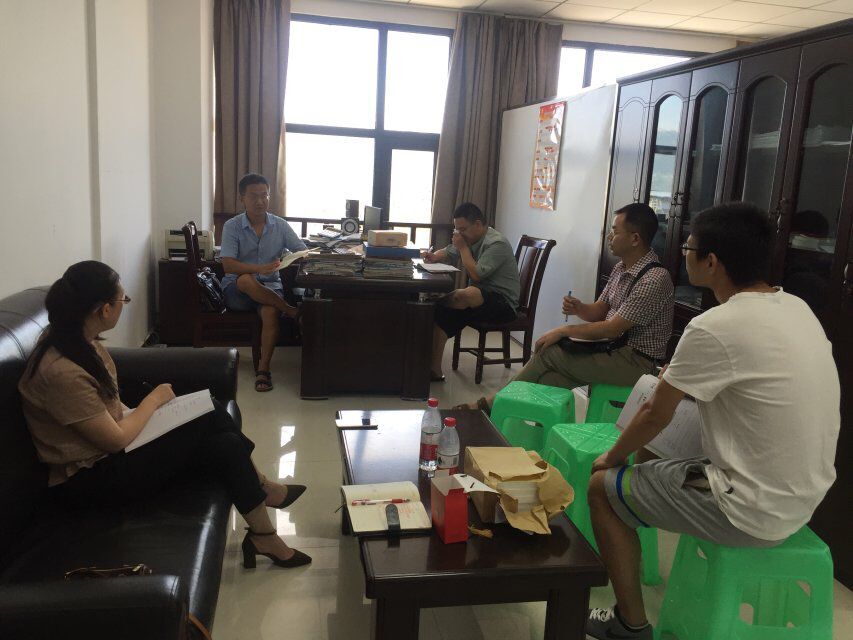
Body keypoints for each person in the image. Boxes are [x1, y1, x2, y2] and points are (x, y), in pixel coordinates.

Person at [584, 202, 840, 640]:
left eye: (688, 248)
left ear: (711, 262)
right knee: (667, 438)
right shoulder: (797, 307)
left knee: (601, 489)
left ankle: (629, 624)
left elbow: (654, 412)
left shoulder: (714, 325)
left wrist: (609, 458)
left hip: (751, 510)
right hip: (804, 498)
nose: (683, 254)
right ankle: (639, 505)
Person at [18, 261, 311, 570]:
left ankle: (264, 533)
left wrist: (149, 412)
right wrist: (154, 400)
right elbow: (114, 440)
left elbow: (110, 411)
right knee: (210, 413)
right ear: (104, 310)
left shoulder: (77, 340)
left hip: (108, 457)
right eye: (122, 299)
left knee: (223, 442)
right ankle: (262, 490)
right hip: (90, 479)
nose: (124, 304)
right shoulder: (62, 371)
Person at [456, 203, 673, 413]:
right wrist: (579, 308)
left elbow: (612, 328)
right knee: (549, 380)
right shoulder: (620, 268)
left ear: (635, 239)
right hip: (613, 350)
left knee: (549, 352)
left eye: (615, 231)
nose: (609, 237)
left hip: (636, 362)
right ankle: (513, 421)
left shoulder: (654, 279)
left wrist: (563, 331)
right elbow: (600, 310)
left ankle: (490, 405)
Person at [220, 173, 307, 392]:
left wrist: (297, 256)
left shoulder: (280, 225)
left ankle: (263, 370)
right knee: (246, 280)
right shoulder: (232, 226)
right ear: (242, 198)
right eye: (253, 196)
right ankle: (291, 311)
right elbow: (228, 265)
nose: (260, 201)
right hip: (237, 291)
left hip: (269, 288)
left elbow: (301, 250)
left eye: (264, 195)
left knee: (270, 312)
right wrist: (260, 268)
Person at [422, 202, 520, 381]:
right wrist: (434, 256)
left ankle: (436, 304)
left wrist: (463, 248)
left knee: (466, 294)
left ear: (477, 224)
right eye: (457, 230)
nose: (459, 234)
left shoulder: (496, 243)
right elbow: (449, 251)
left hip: (504, 304)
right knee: (444, 312)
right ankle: (433, 368)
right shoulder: (470, 237)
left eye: (463, 229)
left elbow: (476, 275)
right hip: (479, 299)